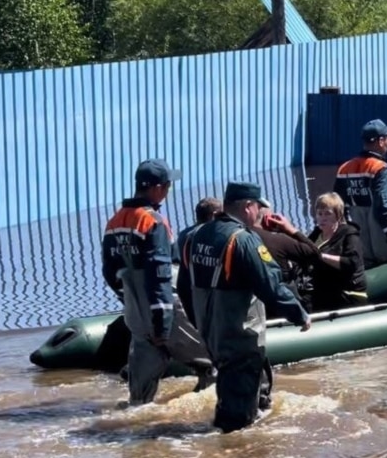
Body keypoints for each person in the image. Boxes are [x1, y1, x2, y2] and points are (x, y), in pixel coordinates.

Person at [184, 181, 311, 433]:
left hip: (212, 333)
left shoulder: (194, 236)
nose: (260, 214)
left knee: (252, 390)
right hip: (239, 336)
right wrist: (299, 314)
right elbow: (270, 285)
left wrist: (201, 325)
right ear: (248, 206)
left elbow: (185, 288)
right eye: (258, 208)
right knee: (236, 423)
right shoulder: (243, 240)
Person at [102, 159, 211, 406]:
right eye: (168, 185)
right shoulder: (153, 222)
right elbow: (160, 272)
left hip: (136, 314)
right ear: (157, 188)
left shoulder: (114, 222)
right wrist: (163, 323)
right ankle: (209, 423)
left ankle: (136, 434)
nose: (169, 190)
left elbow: (110, 272)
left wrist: (129, 299)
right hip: (165, 310)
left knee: (139, 399)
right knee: (212, 363)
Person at [333, 119, 387, 269]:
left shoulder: (344, 169)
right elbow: (384, 208)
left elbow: (337, 209)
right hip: (386, 245)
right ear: (381, 141)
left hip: (361, 246)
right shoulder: (381, 168)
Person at [303, 192, 368, 313]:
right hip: (322, 288)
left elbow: (351, 263)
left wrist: (321, 256)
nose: (322, 217)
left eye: (328, 213)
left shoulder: (350, 234)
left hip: (346, 292)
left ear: (338, 215)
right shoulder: (316, 234)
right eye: (319, 213)